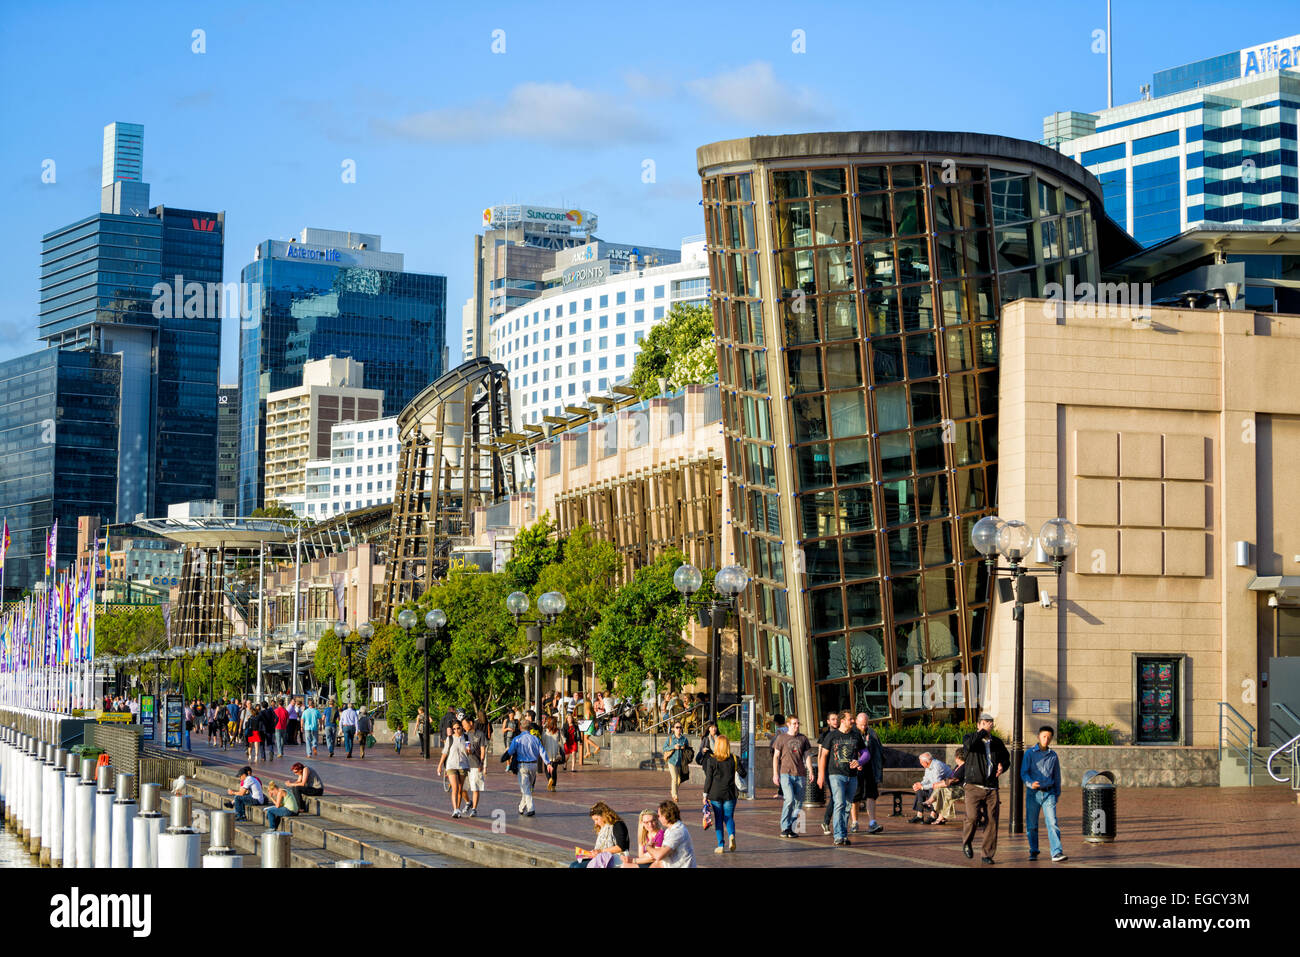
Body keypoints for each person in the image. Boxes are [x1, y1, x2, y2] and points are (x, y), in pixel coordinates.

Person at [961, 713, 1011, 864]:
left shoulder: (997, 742)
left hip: (991, 787)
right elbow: (969, 747)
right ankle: (967, 842)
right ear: (978, 725)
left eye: (990, 723)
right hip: (973, 786)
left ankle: (987, 854)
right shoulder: (969, 738)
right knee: (972, 817)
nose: (988, 725)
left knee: (992, 821)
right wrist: (982, 732)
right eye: (984, 723)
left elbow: (1006, 759)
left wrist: (1003, 766)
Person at [818, 709, 865, 847]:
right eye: (850, 719)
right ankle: (838, 836)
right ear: (842, 721)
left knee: (847, 805)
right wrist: (821, 775)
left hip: (852, 776)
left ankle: (843, 835)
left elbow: (864, 753)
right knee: (839, 803)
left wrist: (859, 762)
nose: (853, 721)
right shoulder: (832, 736)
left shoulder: (856, 735)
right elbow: (823, 756)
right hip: (836, 774)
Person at [1022, 726, 1067, 862]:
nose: (1046, 739)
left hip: (1049, 794)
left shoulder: (1053, 756)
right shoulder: (1029, 754)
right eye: (1043, 736)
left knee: (1052, 823)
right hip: (1033, 794)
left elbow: (1057, 775)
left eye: (1048, 737)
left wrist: (1056, 793)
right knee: (1031, 825)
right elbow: (1024, 772)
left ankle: (1056, 852)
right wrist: (1030, 783)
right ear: (1038, 737)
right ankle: (1033, 850)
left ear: (1051, 739)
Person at [502, 717, 552, 816]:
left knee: (525, 788)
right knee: (527, 788)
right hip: (534, 765)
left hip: (522, 765)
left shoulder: (517, 739)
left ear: (520, 727)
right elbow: (542, 752)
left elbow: (510, 752)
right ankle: (521, 807)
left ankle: (530, 808)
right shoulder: (535, 739)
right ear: (529, 728)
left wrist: (505, 756)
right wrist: (548, 763)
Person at [772, 716, 812, 838]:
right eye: (794, 724)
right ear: (788, 725)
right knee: (789, 799)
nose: (796, 726)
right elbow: (776, 757)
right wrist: (775, 774)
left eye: (797, 723)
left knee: (798, 803)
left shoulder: (803, 738)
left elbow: (807, 756)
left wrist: (810, 770)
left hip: (800, 775)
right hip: (786, 774)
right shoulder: (781, 738)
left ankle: (790, 827)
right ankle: (784, 826)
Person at [702, 734, 740, 854]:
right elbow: (743, 773)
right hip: (730, 793)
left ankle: (721, 845)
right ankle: (731, 836)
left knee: (719, 819)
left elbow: (708, 779)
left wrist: (705, 794)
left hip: (715, 793)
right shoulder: (734, 758)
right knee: (728, 817)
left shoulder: (711, 760)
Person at [851, 712, 885, 835]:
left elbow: (878, 751)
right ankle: (854, 822)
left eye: (866, 725)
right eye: (861, 725)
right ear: (856, 722)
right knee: (855, 797)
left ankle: (872, 822)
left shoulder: (872, 733)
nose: (864, 727)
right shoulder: (852, 734)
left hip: (870, 769)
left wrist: (879, 768)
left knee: (871, 795)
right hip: (855, 770)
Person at [570, 801, 631, 868]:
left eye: (597, 819)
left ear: (604, 815)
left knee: (578, 867)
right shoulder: (603, 827)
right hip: (601, 858)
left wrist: (600, 851)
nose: (595, 823)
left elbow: (620, 847)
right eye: (594, 820)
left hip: (614, 859)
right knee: (573, 865)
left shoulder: (618, 825)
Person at [437, 720, 471, 817]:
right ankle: (455, 809)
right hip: (451, 765)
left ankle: (458, 809)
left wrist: (469, 750)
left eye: (458, 728)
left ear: (462, 727)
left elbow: (469, 752)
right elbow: (445, 752)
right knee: (455, 788)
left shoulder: (467, 737)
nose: (456, 730)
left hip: (463, 765)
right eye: (454, 729)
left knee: (460, 789)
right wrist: (439, 765)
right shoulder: (450, 738)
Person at [647, 800, 695, 868]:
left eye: (659, 816)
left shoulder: (676, 832)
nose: (658, 818)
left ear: (665, 816)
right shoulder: (671, 829)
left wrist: (648, 847)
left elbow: (659, 855)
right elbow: (662, 852)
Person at [909, 752, 953, 824]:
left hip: (946, 788)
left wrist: (922, 787)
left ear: (926, 762)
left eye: (921, 762)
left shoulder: (937, 766)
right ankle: (919, 816)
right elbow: (926, 779)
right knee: (920, 791)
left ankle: (933, 815)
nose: (921, 764)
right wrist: (919, 784)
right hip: (936, 787)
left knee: (932, 790)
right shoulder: (928, 766)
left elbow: (936, 784)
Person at [817, 712, 842, 836]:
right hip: (829, 770)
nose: (835, 721)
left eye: (837, 719)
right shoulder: (825, 735)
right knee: (835, 796)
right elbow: (820, 754)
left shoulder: (843, 733)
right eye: (832, 719)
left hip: (841, 769)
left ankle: (830, 822)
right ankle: (827, 822)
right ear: (828, 721)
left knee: (837, 797)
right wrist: (820, 773)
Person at [927, 747, 966, 824]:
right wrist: (939, 784)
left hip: (960, 790)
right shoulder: (957, 766)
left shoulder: (963, 767)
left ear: (957, 757)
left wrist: (939, 784)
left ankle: (939, 815)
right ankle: (940, 816)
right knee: (940, 790)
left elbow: (953, 780)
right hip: (953, 789)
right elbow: (949, 778)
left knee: (942, 792)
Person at [462, 716, 488, 816]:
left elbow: (482, 750)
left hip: (475, 764)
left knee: (475, 788)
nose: (464, 727)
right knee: (462, 789)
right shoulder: (464, 735)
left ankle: (474, 809)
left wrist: (481, 763)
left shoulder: (480, 734)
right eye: (463, 725)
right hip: (465, 764)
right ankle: (468, 802)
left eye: (465, 724)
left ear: (471, 723)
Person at [662, 721, 690, 801]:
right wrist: (673, 747)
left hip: (680, 762)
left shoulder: (684, 739)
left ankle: (673, 791)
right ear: (673, 729)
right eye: (677, 727)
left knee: (679, 780)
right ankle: (675, 795)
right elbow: (664, 748)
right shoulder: (670, 738)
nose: (679, 729)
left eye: (680, 727)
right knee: (674, 778)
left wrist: (684, 747)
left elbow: (688, 749)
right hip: (672, 761)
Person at [541, 717, 564, 792]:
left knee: (546, 770)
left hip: (547, 754)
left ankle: (549, 779)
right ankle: (553, 786)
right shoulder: (558, 731)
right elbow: (563, 741)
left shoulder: (545, 732)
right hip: (555, 754)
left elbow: (543, 742)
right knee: (554, 770)